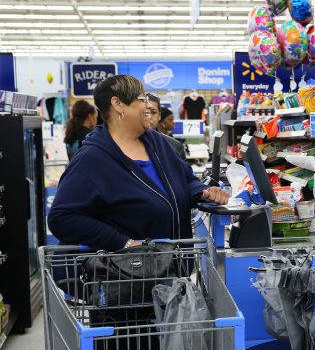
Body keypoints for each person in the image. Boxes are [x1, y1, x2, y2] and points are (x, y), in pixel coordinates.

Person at [48, 74, 228, 251]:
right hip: (127, 274)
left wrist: (203, 192)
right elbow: (62, 217)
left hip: (173, 268)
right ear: (118, 104)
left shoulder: (157, 143)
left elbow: (187, 179)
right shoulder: (92, 160)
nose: (149, 105)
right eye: (142, 99)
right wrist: (123, 243)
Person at [147, 94, 186, 160]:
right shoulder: (127, 144)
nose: (148, 117)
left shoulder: (175, 146)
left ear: (159, 115)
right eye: (144, 112)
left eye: (153, 112)